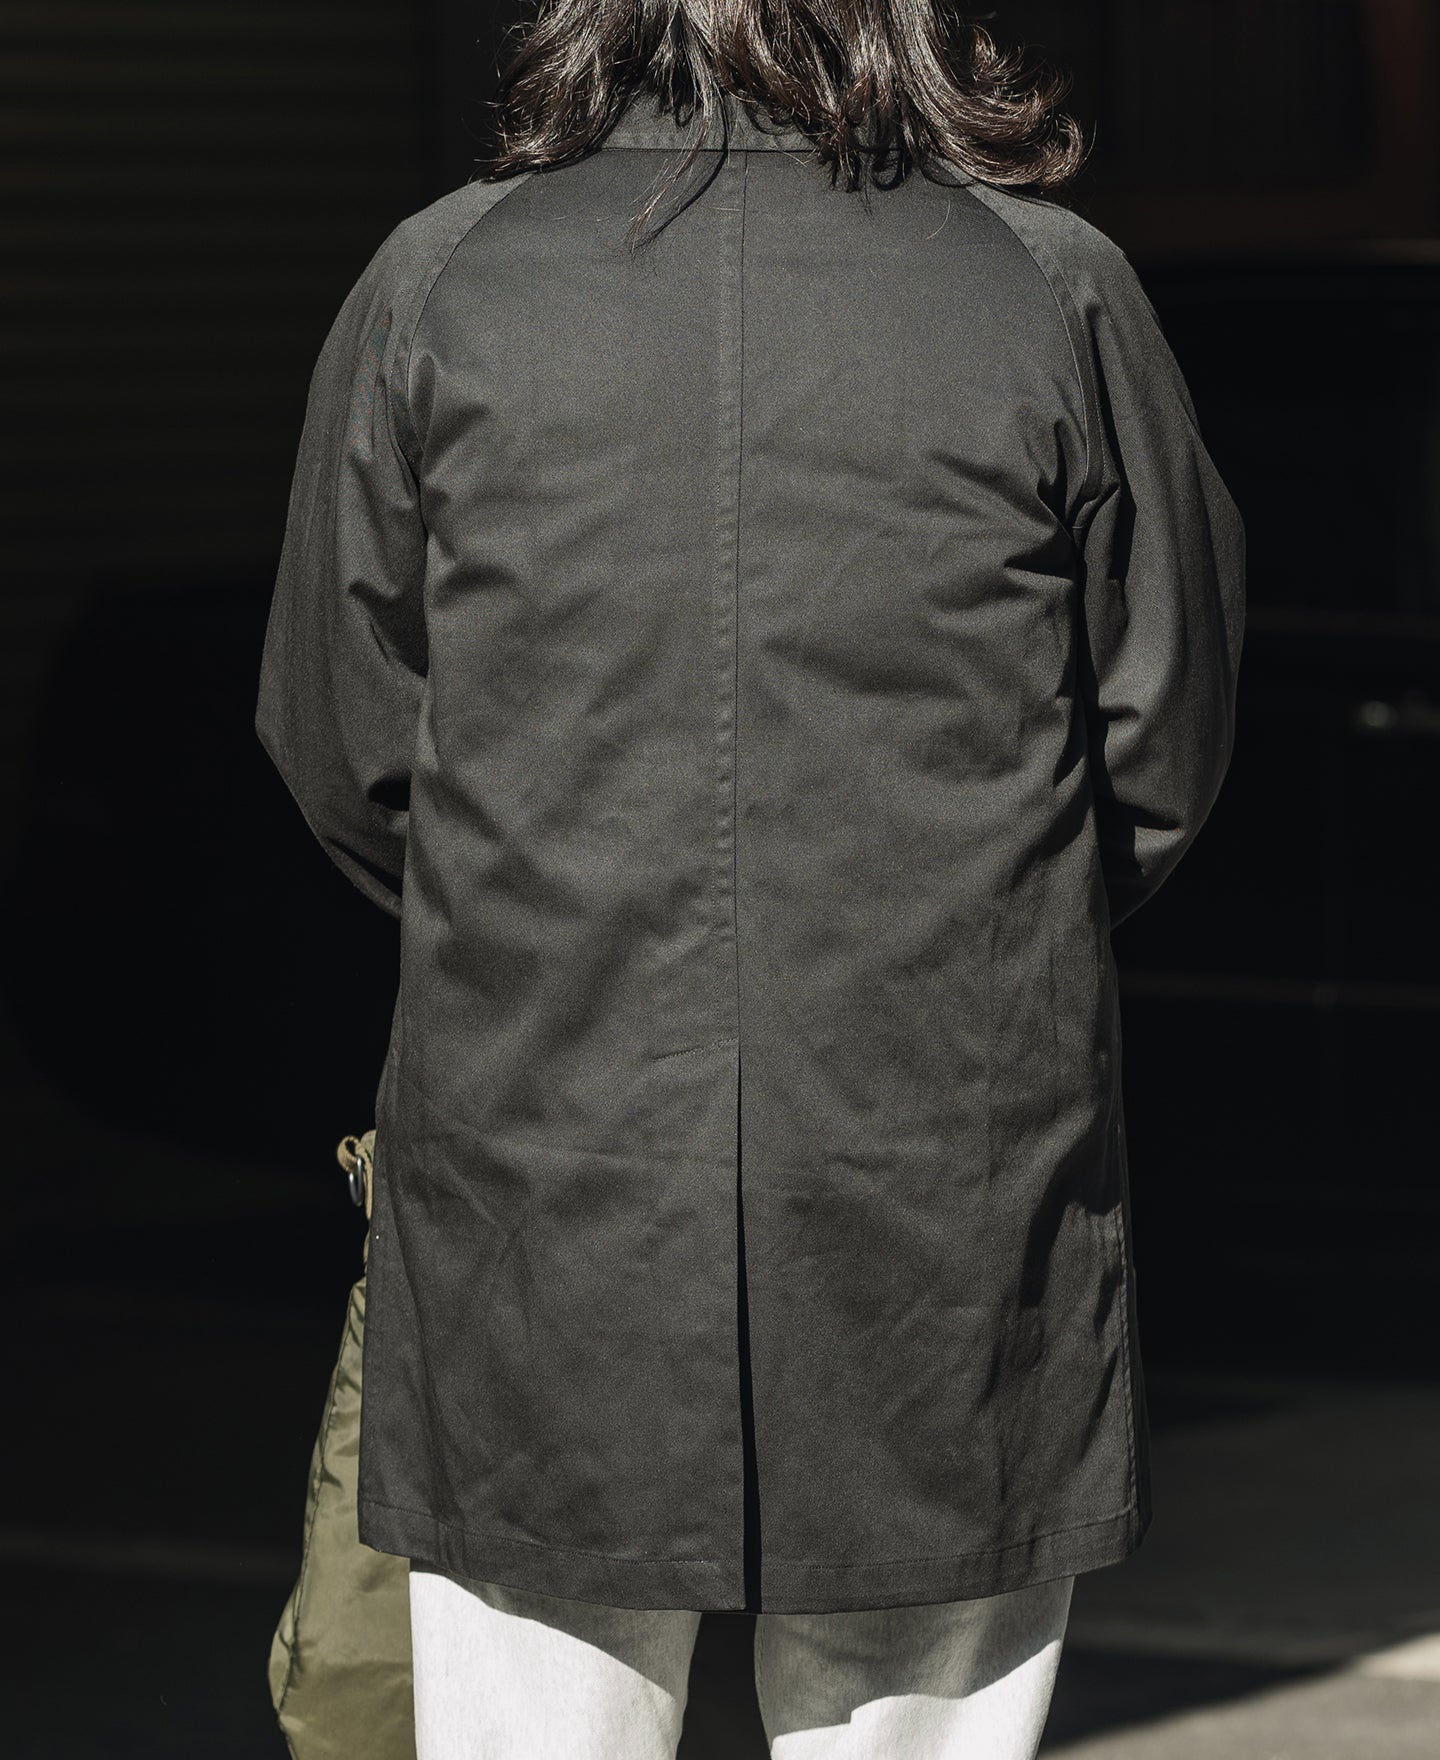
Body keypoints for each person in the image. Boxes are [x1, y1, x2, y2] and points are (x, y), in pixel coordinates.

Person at [253, 0, 1246, 1753]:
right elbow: (1156, 749)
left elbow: (349, 748)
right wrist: (976, 934)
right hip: (943, 1181)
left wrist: (528, 930)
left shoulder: (442, 279)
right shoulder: (1048, 289)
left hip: (542, 1177)